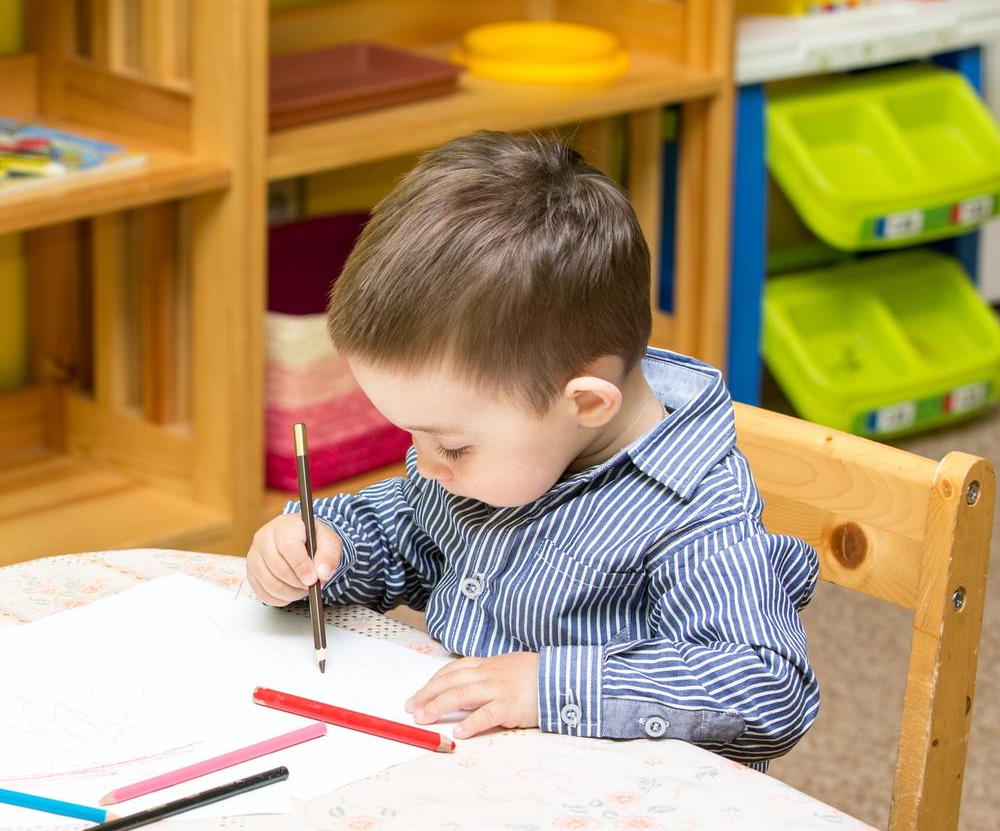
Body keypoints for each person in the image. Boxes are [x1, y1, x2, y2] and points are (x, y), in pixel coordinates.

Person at [245, 132, 819, 766]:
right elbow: (411, 529)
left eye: (453, 446)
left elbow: (768, 693)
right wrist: (324, 550)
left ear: (585, 405)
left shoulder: (697, 511)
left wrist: (551, 688)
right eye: (412, 434)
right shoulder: (511, 453)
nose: (425, 465)